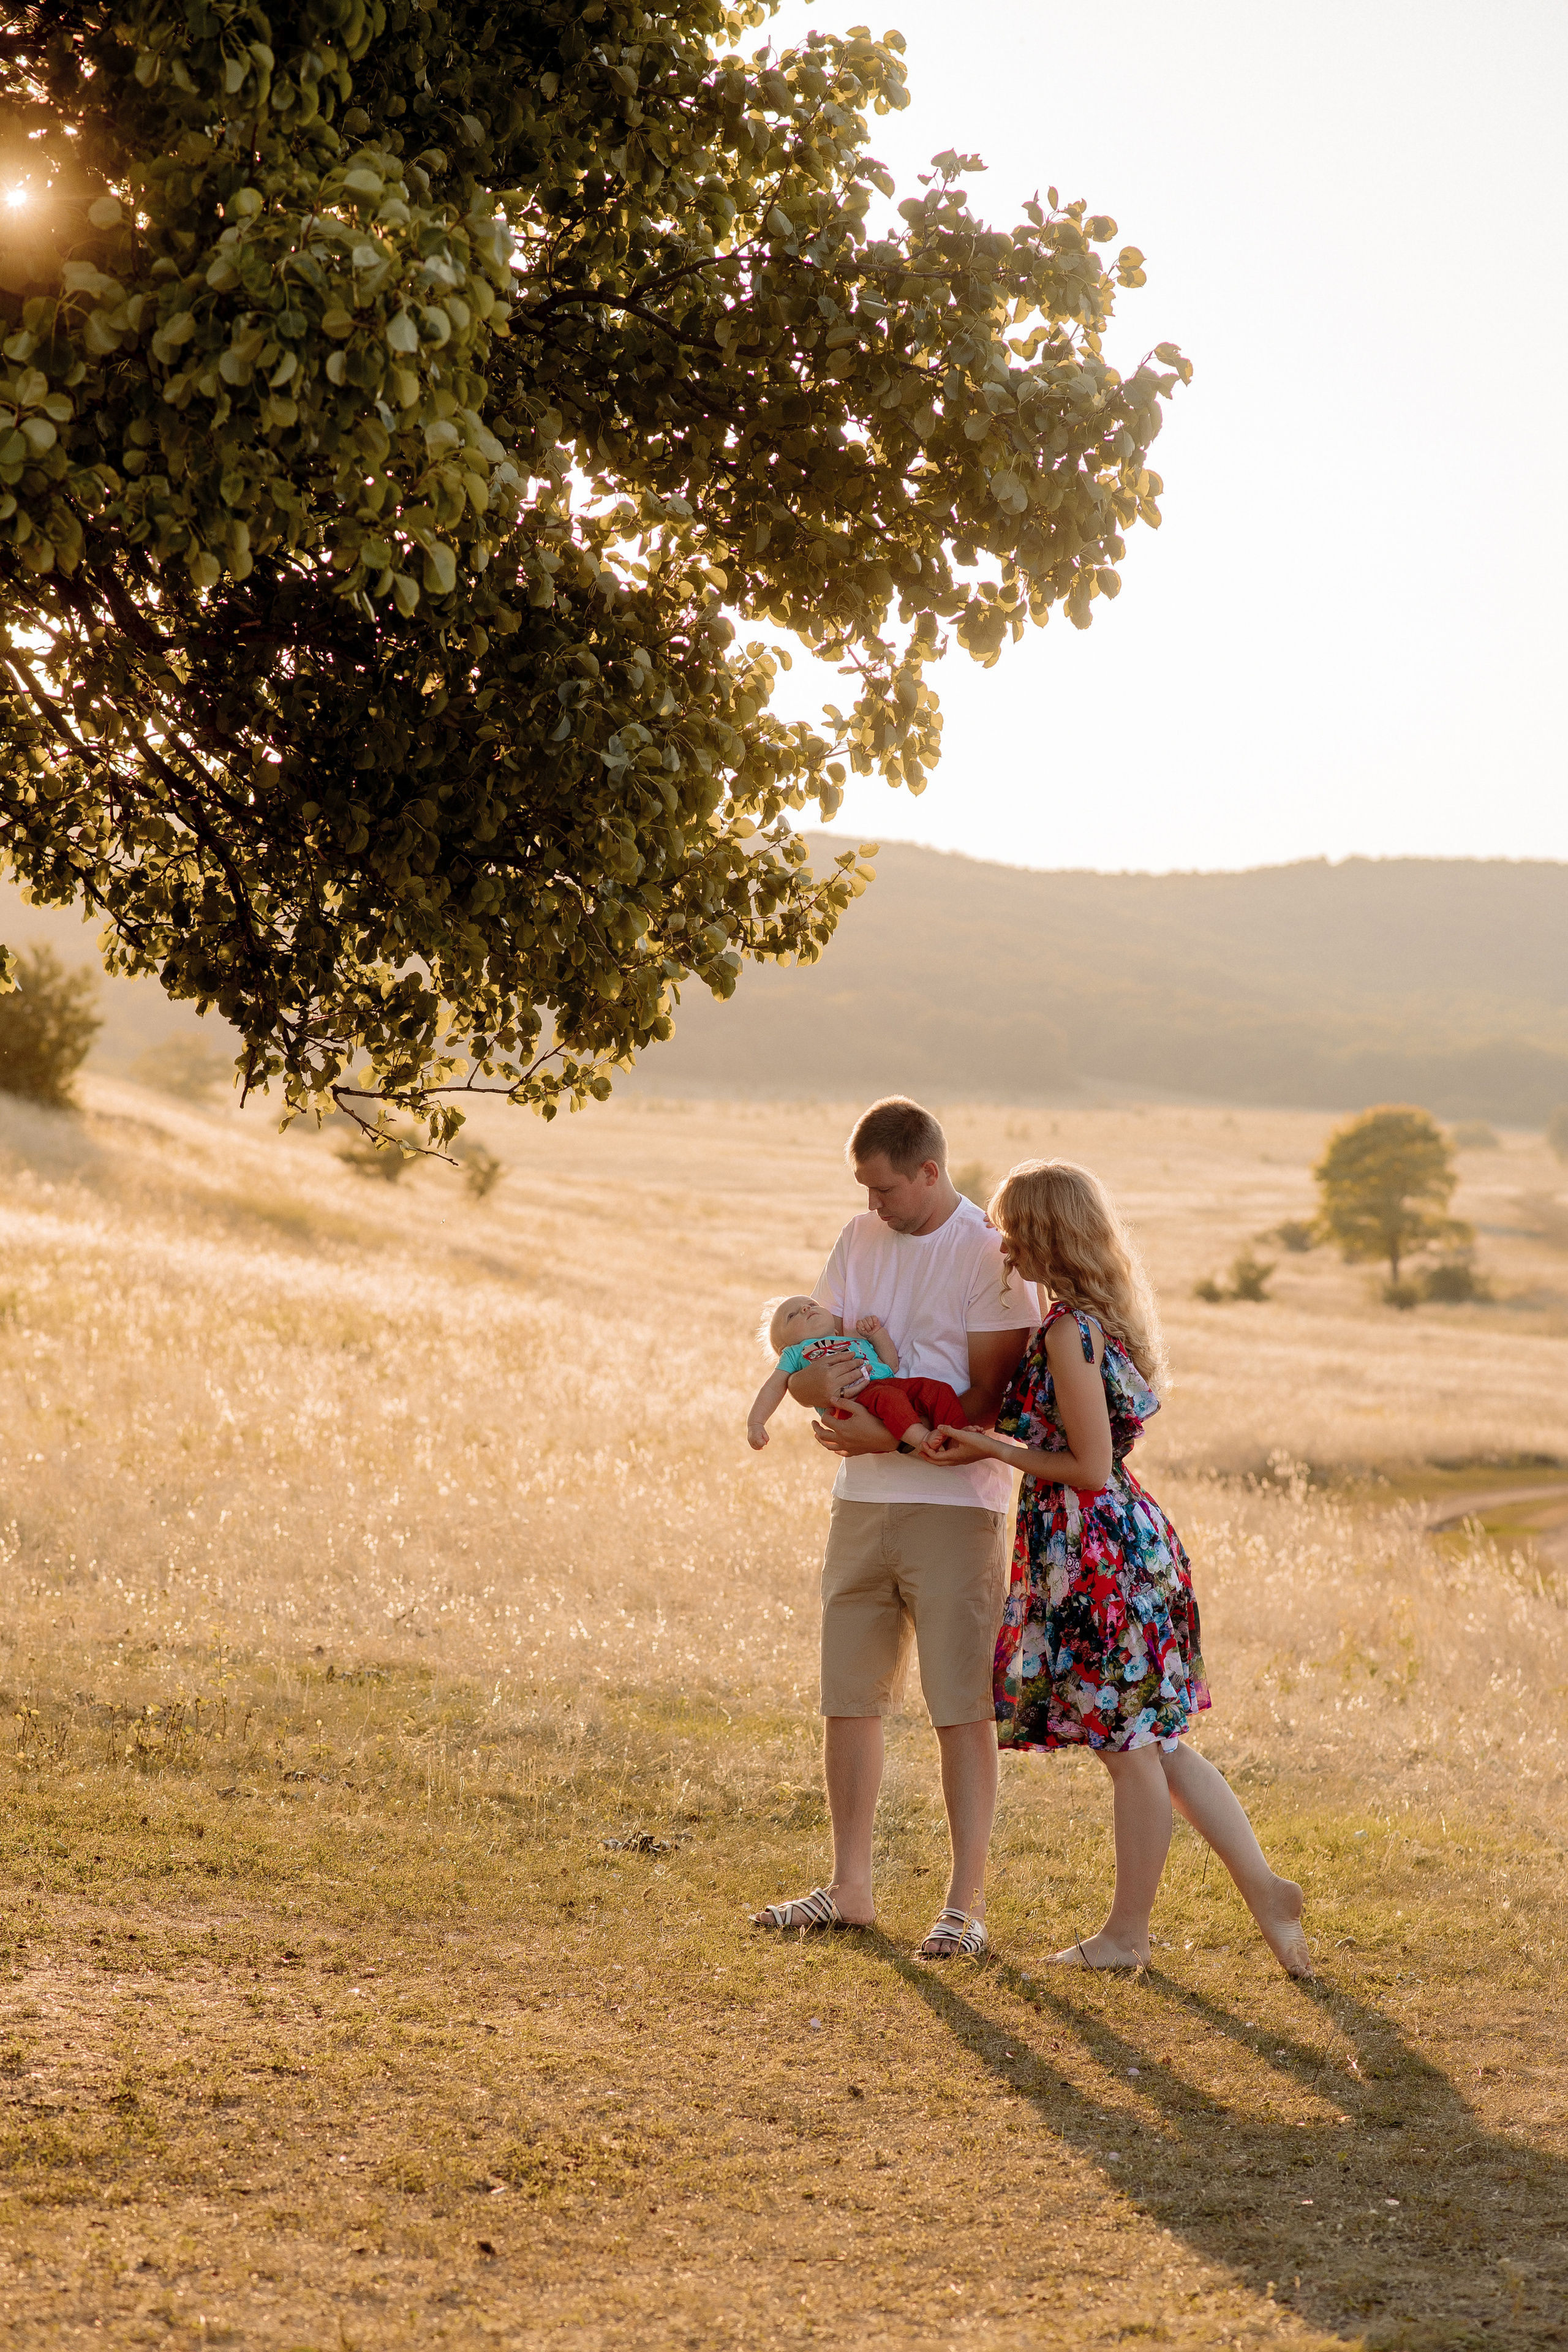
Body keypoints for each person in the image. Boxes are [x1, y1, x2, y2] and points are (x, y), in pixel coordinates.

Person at [924, 1157, 1313, 1976]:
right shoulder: (1097, 1320)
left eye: (1010, 1229)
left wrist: (992, 1446)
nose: (1001, 1246)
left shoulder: (1069, 1331)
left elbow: (1090, 1467)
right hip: (1119, 1549)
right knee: (1157, 1744)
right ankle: (1267, 1892)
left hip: (1099, 1556)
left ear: (1043, 1233)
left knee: (1130, 1749)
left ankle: (1127, 1937)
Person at [750, 1097, 1038, 1959]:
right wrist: (837, 1413)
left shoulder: (991, 1254)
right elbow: (810, 1362)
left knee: (959, 1706)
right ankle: (850, 1889)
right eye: (863, 1190)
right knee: (849, 1696)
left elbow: (995, 1399)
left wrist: (887, 1429)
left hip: (959, 1507)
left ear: (929, 1172)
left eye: (887, 1191)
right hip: (862, 1499)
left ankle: (964, 1907)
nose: (874, 1207)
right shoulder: (857, 1237)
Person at [746, 1296, 967, 1455]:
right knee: (889, 1397)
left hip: (887, 1385)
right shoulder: (796, 1352)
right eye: (792, 1315)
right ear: (784, 1345)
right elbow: (774, 1387)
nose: (805, 1309)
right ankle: (923, 1440)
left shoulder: (855, 1341)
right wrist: (756, 1422)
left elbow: (891, 1363)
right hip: (853, 1404)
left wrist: (877, 1335)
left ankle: (961, 1436)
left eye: (811, 1305)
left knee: (936, 1389)